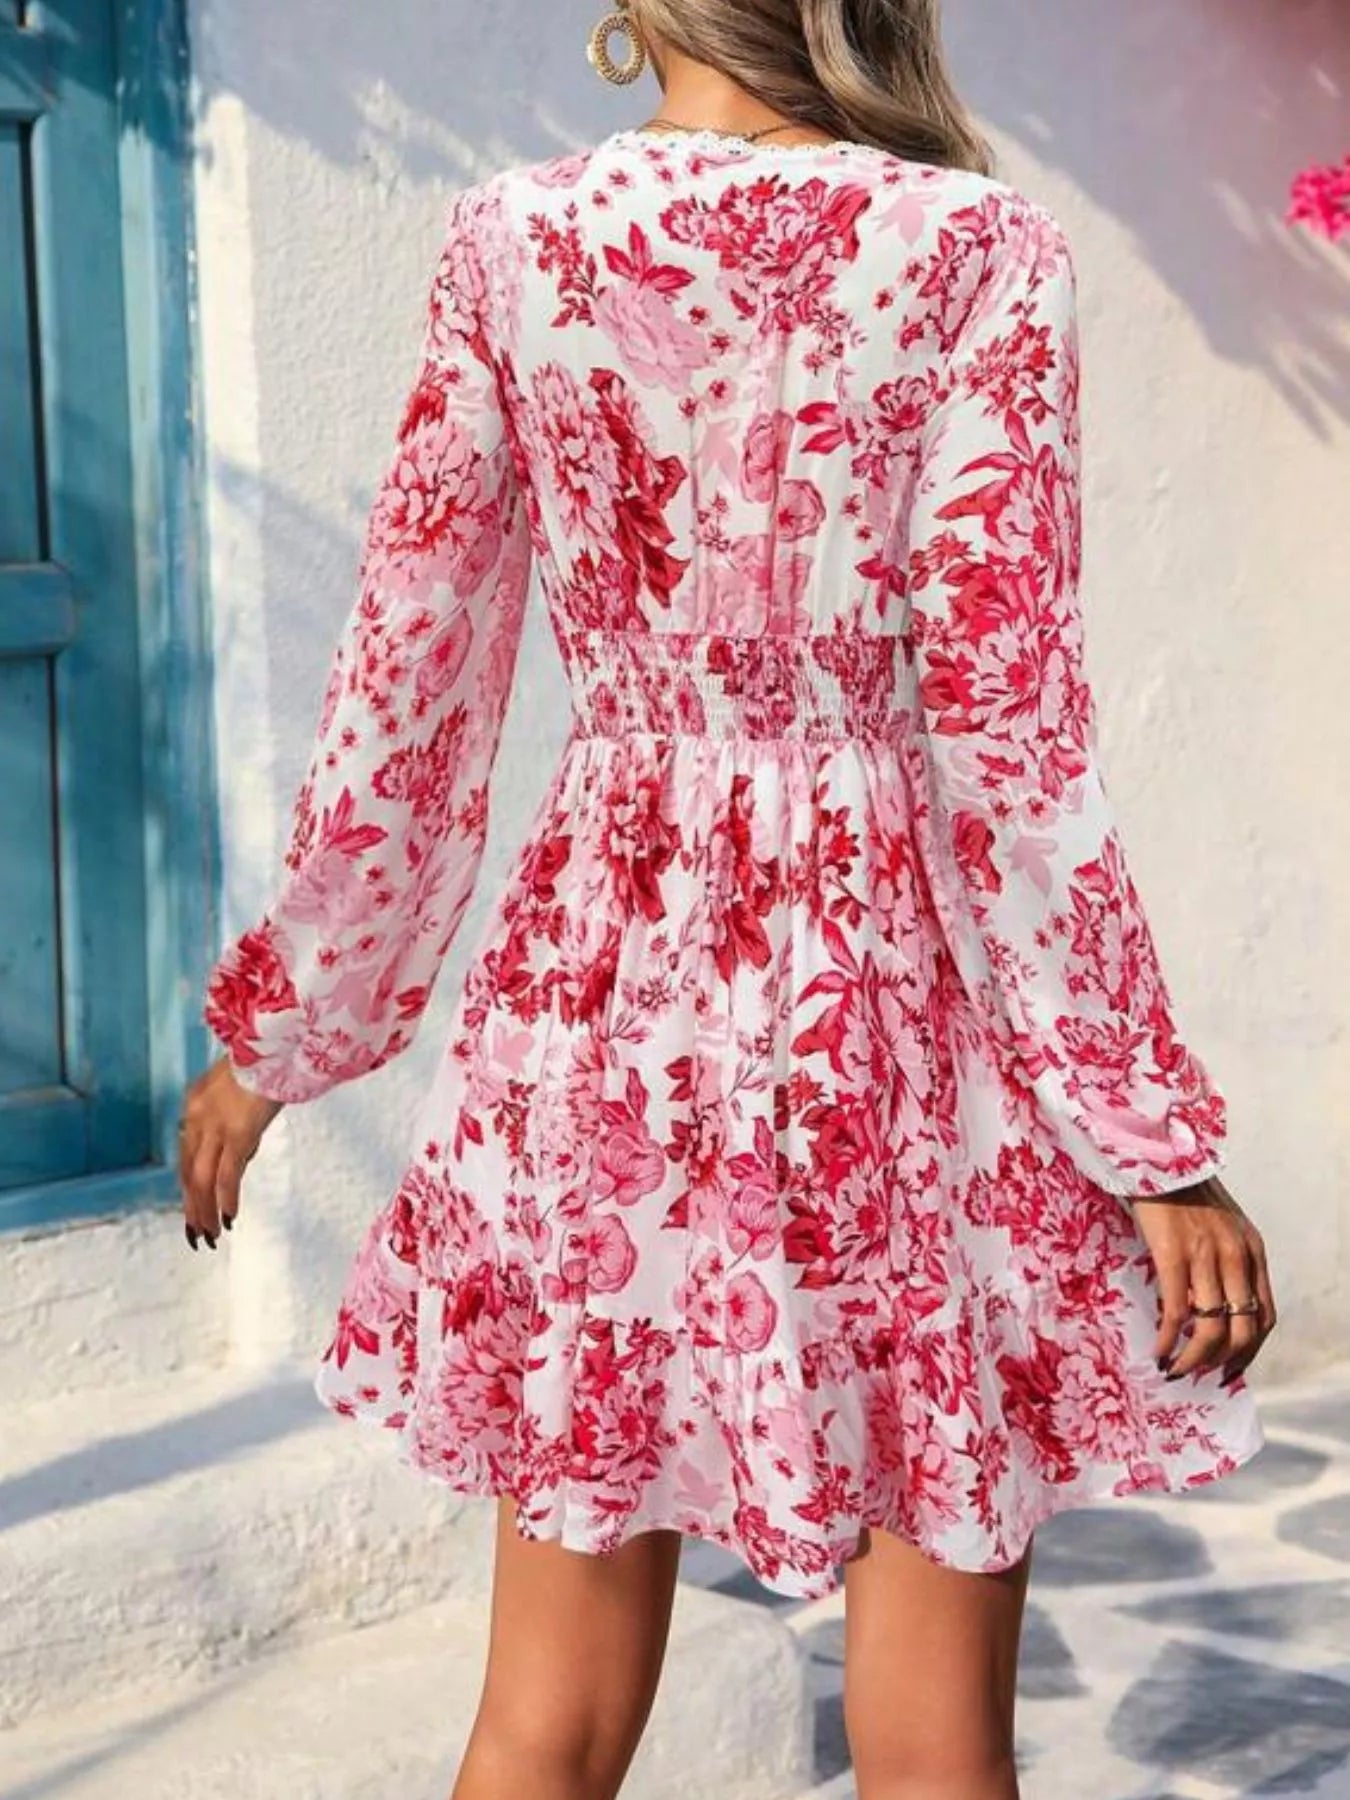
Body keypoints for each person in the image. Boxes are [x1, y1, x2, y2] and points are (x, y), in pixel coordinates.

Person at [178, 2, 1277, 1794]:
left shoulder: (516, 241)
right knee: (933, 1753)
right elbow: (1006, 725)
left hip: (605, 1001)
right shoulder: (974, 245)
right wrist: (1144, 1134)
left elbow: (408, 683)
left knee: (542, 1727)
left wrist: (283, 1038)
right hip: (896, 1017)